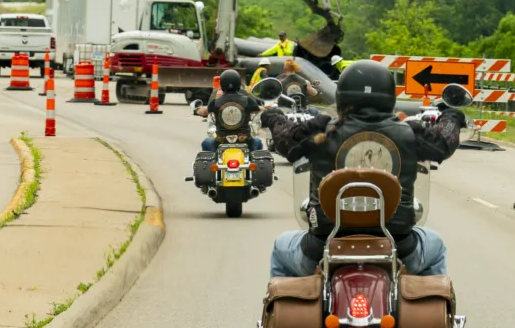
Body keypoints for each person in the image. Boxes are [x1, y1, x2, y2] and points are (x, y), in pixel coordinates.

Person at [260, 60, 466, 278]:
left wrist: (273, 116)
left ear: (342, 95)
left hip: (321, 249)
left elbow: (286, 140)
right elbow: (443, 143)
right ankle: (424, 302)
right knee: (436, 245)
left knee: (280, 247)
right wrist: (452, 115)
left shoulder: (319, 132)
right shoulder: (410, 134)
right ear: (389, 96)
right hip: (399, 248)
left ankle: (292, 309)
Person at [197, 70, 264, 152]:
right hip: (245, 141)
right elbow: (259, 108)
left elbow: (204, 111)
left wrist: (197, 110)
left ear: (221, 85)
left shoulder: (215, 102)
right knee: (258, 142)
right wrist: (264, 107)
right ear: (239, 84)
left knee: (206, 142)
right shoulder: (247, 101)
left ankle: (212, 163)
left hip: (220, 141)